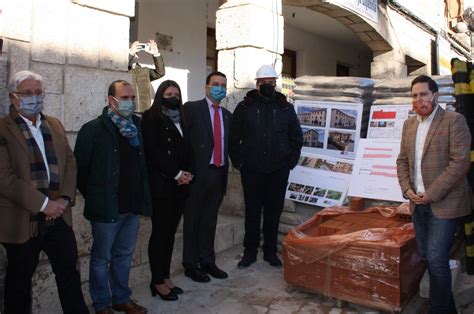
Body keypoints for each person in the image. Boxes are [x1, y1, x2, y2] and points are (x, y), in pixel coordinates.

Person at [0, 70, 88, 314]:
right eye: (27, 93)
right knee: (19, 285)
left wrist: (64, 200)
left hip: (58, 217)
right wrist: (43, 204)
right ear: (13, 98)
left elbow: (70, 163)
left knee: (70, 275)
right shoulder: (2, 128)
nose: (34, 98)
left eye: (39, 93)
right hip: (22, 220)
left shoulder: (55, 125)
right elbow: (4, 178)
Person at [74, 80, 152, 314]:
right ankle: (101, 304)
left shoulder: (137, 126)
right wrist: (98, 197)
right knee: (101, 258)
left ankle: (121, 298)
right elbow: (81, 171)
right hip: (107, 209)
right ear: (111, 101)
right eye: (125, 98)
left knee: (124, 255)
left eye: (132, 98)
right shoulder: (93, 129)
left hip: (132, 206)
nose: (130, 102)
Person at [396, 75, 471, 314]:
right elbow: (402, 161)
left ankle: (438, 309)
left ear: (435, 95)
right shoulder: (409, 125)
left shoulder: (453, 121)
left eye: (424, 94)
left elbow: (459, 163)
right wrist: (407, 189)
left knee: (437, 258)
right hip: (417, 203)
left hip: (444, 203)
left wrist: (432, 193)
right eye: (415, 95)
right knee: (428, 256)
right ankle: (448, 309)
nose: (419, 99)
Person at [230, 65, 303, 268]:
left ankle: (270, 252)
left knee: (273, 212)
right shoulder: (245, 107)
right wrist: (240, 163)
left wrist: (290, 162)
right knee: (252, 213)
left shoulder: (285, 108)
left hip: (277, 171)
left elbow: (296, 137)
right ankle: (250, 252)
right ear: (257, 84)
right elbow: (233, 138)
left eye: (272, 82)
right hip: (251, 170)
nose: (269, 86)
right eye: (265, 83)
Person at [142, 80, 193, 301]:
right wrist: (176, 174)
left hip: (181, 185)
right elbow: (154, 152)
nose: (172, 97)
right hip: (163, 185)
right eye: (168, 93)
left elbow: (188, 148)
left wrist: (189, 173)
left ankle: (165, 276)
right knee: (160, 233)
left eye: (176, 93)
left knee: (170, 233)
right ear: (160, 95)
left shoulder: (183, 118)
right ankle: (156, 280)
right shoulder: (151, 117)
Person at [182, 71, 232, 282]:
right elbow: (182, 141)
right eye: (215, 84)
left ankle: (207, 261)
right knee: (192, 220)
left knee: (210, 220)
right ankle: (190, 264)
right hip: (197, 175)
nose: (219, 88)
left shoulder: (227, 116)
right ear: (206, 87)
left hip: (218, 174)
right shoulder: (192, 109)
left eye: (223, 84)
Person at [128, 39, 166, 112]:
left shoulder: (144, 71)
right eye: (132, 52)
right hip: (127, 114)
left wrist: (156, 54)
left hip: (144, 113)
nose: (135, 55)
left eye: (136, 53)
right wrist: (130, 54)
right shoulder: (121, 71)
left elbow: (160, 72)